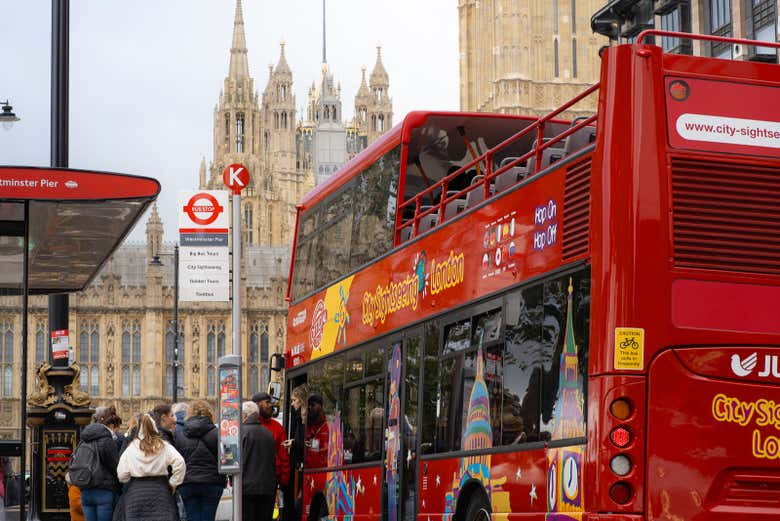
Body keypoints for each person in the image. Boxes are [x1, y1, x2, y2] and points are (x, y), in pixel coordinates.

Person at [116, 413, 185, 521]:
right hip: (161, 491)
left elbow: (121, 473)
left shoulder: (132, 447)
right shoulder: (163, 445)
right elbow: (180, 462)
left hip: (136, 493)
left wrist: (128, 480)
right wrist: (174, 483)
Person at [174, 400, 226, 521]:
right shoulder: (217, 434)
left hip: (188, 482)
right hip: (212, 482)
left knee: (192, 517)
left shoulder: (180, 434)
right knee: (209, 517)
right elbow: (224, 458)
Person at [71, 409, 120, 521]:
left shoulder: (84, 440)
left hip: (85, 490)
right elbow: (115, 466)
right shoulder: (107, 440)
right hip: (103, 490)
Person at [241, 401, 276, 521]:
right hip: (267, 487)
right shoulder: (269, 434)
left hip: (246, 488)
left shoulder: (241, 433)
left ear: (245, 415)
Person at [252, 392, 290, 489]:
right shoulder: (247, 426)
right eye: (267, 402)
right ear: (257, 405)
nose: (271, 405)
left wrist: (284, 479)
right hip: (250, 479)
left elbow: (283, 455)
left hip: (271, 479)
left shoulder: (277, 427)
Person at [282, 384, 307, 521]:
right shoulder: (300, 418)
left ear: (302, 400)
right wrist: (294, 441)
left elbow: (309, 443)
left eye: (293, 400)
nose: (292, 404)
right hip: (300, 466)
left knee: (298, 505)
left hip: (306, 466)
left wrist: (295, 442)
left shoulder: (305, 419)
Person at [304, 394, 329, 469]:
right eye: (309, 406)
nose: (310, 408)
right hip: (309, 471)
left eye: (313, 405)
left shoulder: (329, 427)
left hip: (324, 471)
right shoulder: (307, 426)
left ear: (320, 406)